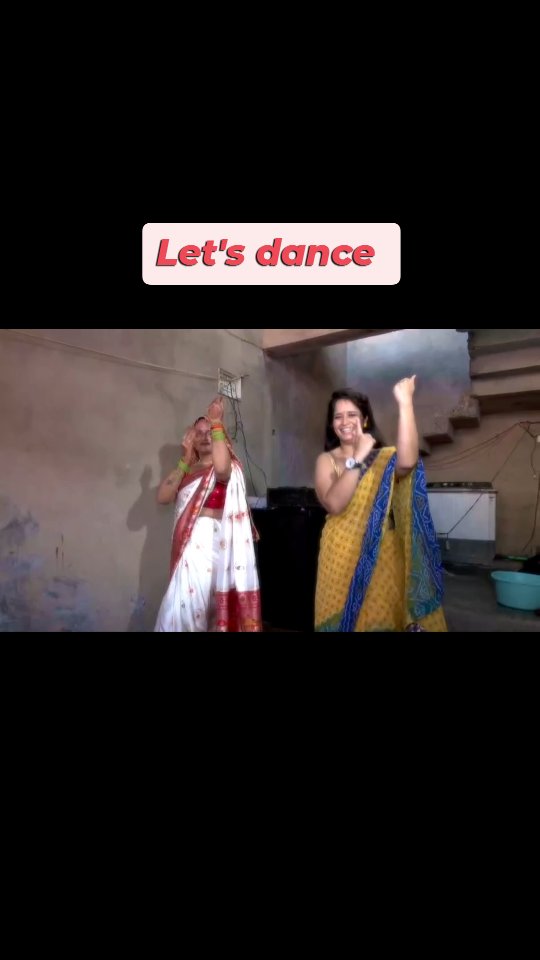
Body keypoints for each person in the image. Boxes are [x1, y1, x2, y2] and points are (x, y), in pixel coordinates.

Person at [314, 378, 447, 632]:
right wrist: (358, 457)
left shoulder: (382, 458)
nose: (345, 422)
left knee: (379, 618)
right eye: (338, 416)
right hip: (340, 554)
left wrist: (405, 402)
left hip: (381, 553)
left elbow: (407, 462)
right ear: (332, 425)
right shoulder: (326, 460)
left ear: (365, 420)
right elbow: (334, 503)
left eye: (352, 414)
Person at [154, 397, 262, 632]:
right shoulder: (187, 470)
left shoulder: (228, 466)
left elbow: (221, 470)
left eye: (209, 432)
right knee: (182, 607)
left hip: (220, 546)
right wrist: (184, 459)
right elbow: (163, 497)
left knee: (215, 613)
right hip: (192, 549)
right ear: (191, 439)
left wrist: (216, 422)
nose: (204, 437)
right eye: (199, 433)